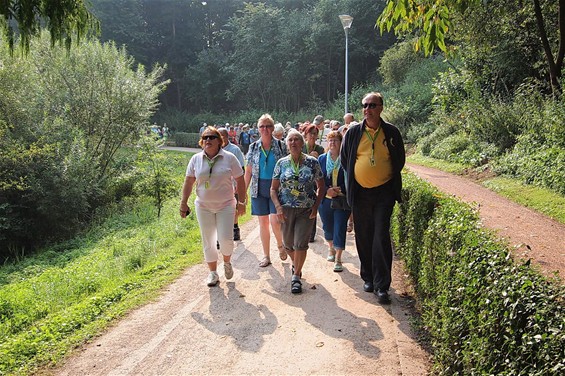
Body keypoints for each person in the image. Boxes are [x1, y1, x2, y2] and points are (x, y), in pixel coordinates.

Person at [341, 92, 405, 304]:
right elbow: (345, 160)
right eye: (365, 105)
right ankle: (367, 276)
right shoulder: (353, 133)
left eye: (372, 105)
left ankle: (382, 285)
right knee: (364, 236)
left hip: (384, 193)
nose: (367, 109)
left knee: (380, 236)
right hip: (360, 194)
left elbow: (400, 159)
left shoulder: (392, 132)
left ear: (381, 108)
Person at [180, 126, 247, 287]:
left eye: (211, 137)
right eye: (205, 138)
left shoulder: (229, 158)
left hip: (226, 205)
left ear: (219, 141)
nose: (208, 140)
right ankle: (213, 273)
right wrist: (183, 202)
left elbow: (240, 179)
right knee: (208, 239)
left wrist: (242, 202)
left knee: (225, 238)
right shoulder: (196, 159)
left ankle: (227, 262)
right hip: (203, 206)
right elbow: (189, 181)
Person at [270, 129, 325, 293]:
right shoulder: (281, 163)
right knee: (288, 244)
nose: (293, 142)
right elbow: (273, 189)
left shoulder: (312, 162)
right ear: (287, 144)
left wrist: (315, 206)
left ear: (302, 143)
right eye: (290, 140)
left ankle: (296, 276)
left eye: (296, 140)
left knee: (300, 244)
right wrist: (278, 207)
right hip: (285, 209)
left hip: (305, 209)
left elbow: (321, 186)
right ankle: (297, 264)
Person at [244, 114, 287, 267]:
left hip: (276, 188)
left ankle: (281, 246)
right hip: (258, 188)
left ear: (273, 128)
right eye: (262, 126)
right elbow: (248, 171)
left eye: (268, 126)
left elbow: (287, 167)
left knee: (275, 220)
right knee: (263, 223)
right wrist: (243, 192)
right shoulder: (253, 147)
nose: (265, 129)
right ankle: (266, 256)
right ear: (258, 129)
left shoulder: (281, 146)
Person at [318, 131, 351, 272]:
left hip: (343, 200)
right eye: (330, 140)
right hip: (325, 200)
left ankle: (338, 258)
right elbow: (317, 180)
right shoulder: (321, 159)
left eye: (336, 140)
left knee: (340, 227)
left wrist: (340, 190)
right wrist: (327, 190)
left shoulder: (347, 159)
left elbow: (352, 179)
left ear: (341, 142)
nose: (332, 143)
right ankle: (331, 248)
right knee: (328, 227)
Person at [218, 127, 246, 241]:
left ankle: (235, 228)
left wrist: (240, 187)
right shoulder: (214, 150)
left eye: (222, 137)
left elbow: (242, 169)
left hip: (234, 185)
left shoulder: (235, 150)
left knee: (233, 208)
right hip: (219, 187)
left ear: (226, 137)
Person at [302, 123, 325, 242]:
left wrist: (317, 159)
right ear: (305, 135)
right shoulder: (301, 147)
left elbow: (322, 166)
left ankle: (311, 234)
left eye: (315, 134)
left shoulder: (320, 149)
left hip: (315, 181)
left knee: (313, 203)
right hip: (302, 180)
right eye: (310, 133)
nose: (312, 136)